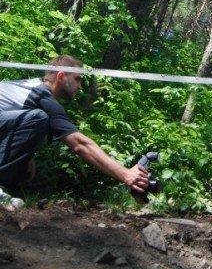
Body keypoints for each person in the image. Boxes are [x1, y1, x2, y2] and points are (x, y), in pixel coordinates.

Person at [0, 55, 149, 202]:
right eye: (77, 79)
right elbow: (80, 144)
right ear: (61, 76)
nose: (80, 86)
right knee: (38, 119)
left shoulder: (33, 91)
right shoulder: (40, 95)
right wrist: (125, 174)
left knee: (23, 167)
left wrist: (28, 155)